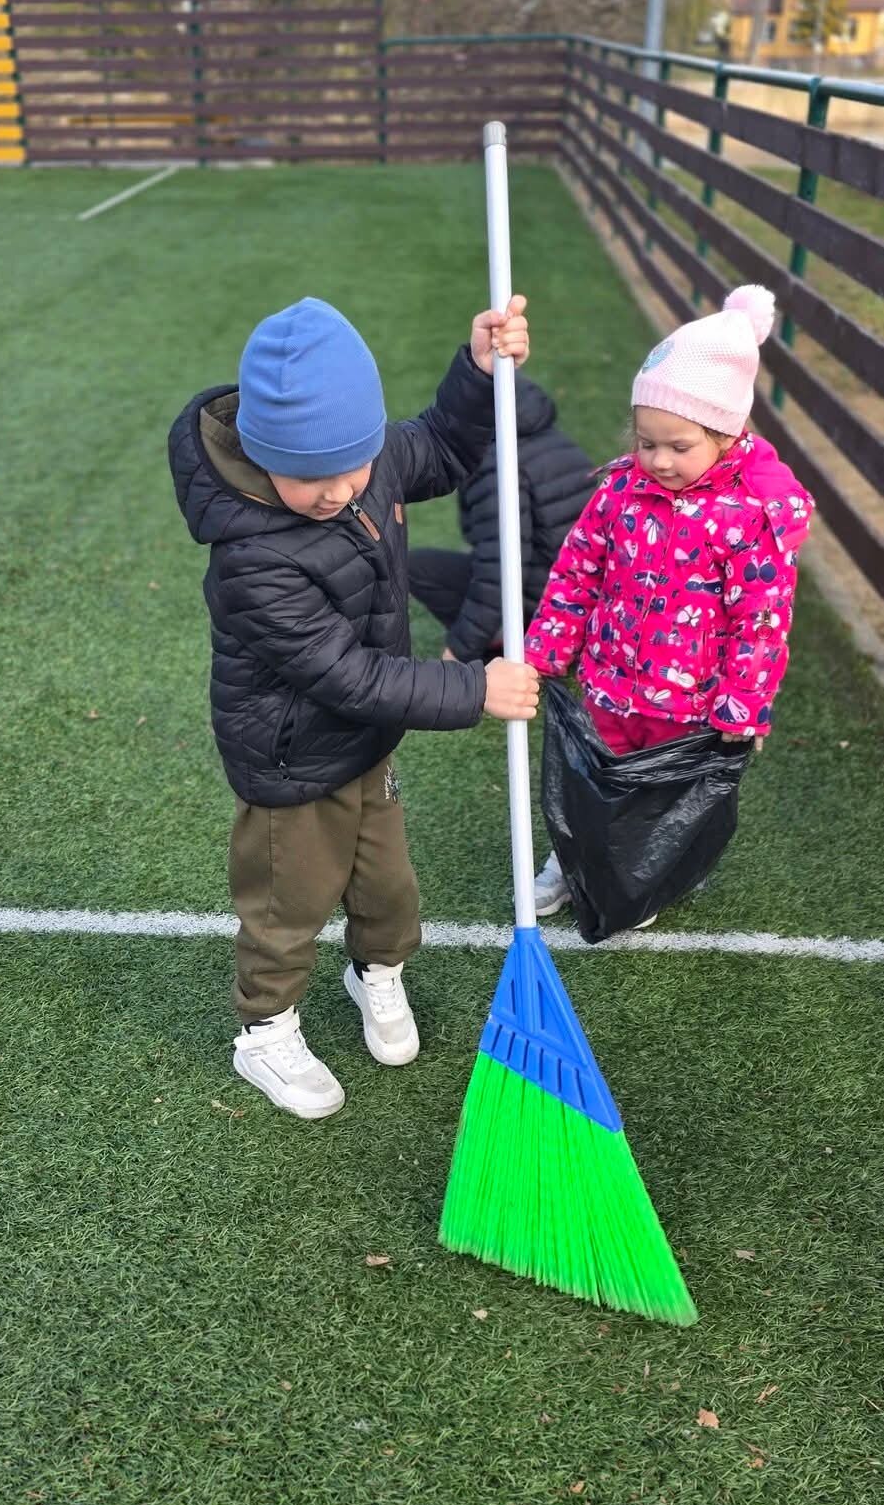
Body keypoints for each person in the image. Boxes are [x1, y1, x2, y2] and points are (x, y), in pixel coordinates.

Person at [169, 295, 539, 1120]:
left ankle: (377, 971)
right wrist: (474, 689)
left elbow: (442, 444)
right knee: (287, 907)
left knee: (389, 892)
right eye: (309, 477)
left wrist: (478, 372)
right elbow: (346, 676)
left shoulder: (366, 460)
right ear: (263, 456)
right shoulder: (251, 561)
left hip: (367, 746)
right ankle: (265, 1032)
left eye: (353, 468)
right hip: (293, 763)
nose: (337, 492)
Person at [524, 284, 813, 921]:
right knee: (593, 777)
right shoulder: (620, 491)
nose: (658, 460)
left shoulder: (749, 518)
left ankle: (638, 875)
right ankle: (571, 863)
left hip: (688, 702)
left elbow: (761, 622)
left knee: (658, 796)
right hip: (610, 680)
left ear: (726, 435)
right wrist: (547, 647)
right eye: (647, 442)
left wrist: (743, 703)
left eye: (679, 447)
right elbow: (578, 570)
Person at [407, 373, 594, 663]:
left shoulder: (497, 463)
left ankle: (505, 643)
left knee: (415, 568)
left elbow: (501, 570)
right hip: (584, 599)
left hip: (548, 604)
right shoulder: (556, 439)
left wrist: (458, 651)